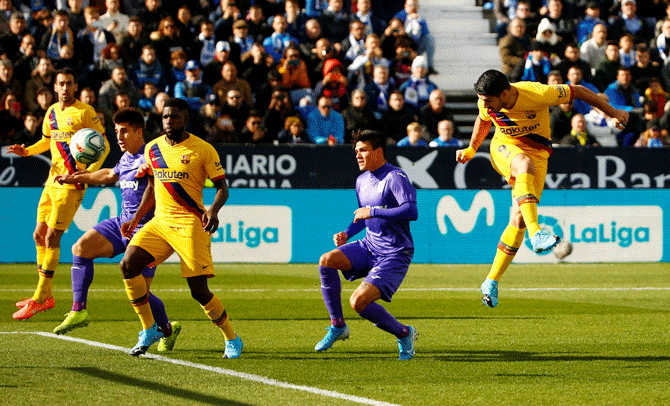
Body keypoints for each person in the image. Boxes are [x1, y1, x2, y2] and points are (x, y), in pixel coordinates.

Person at [456, 69, 628, 308]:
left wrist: (613, 113)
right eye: (482, 99)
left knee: (518, 219)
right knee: (523, 165)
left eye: (488, 100)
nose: (483, 103)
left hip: (538, 154)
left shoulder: (537, 93)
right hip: (504, 148)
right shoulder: (487, 100)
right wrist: (472, 149)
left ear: (504, 94)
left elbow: (577, 91)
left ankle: (491, 281)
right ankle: (537, 233)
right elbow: (483, 120)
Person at [119, 97, 243, 358]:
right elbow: (152, 187)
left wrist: (212, 210)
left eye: (174, 117)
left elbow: (222, 188)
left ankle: (232, 338)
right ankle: (149, 328)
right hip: (160, 222)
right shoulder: (152, 148)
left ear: (185, 119)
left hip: (190, 224)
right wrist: (136, 217)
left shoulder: (202, 149)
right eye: (165, 116)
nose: (168, 121)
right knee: (128, 265)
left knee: (198, 291)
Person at [50, 108, 180, 352]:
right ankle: (79, 310)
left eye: (124, 131)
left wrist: (137, 219)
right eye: (117, 131)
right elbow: (109, 174)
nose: (118, 137)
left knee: (139, 290)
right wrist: (78, 177)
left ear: (138, 132)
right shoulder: (127, 157)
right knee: (81, 247)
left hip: (148, 231)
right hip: (123, 223)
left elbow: (153, 191)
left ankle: (165, 329)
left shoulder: (151, 155)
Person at [8, 67, 110, 320]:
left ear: (76, 87)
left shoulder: (85, 112)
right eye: (61, 83)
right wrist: (28, 151)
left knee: (53, 237)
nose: (65, 88)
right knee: (38, 235)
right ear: (55, 87)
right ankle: (46, 295)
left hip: (71, 185)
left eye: (69, 83)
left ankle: (40, 297)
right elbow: (47, 141)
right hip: (51, 182)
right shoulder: (51, 112)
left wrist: (88, 173)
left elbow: (104, 145)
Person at [315, 129, 418, 360]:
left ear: (378, 151)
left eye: (363, 150)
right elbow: (363, 217)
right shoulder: (361, 180)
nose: (358, 155)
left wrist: (372, 211)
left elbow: (411, 210)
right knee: (327, 261)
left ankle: (404, 333)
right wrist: (347, 233)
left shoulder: (396, 177)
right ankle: (338, 326)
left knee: (358, 302)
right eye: (356, 151)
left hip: (394, 252)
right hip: (369, 245)